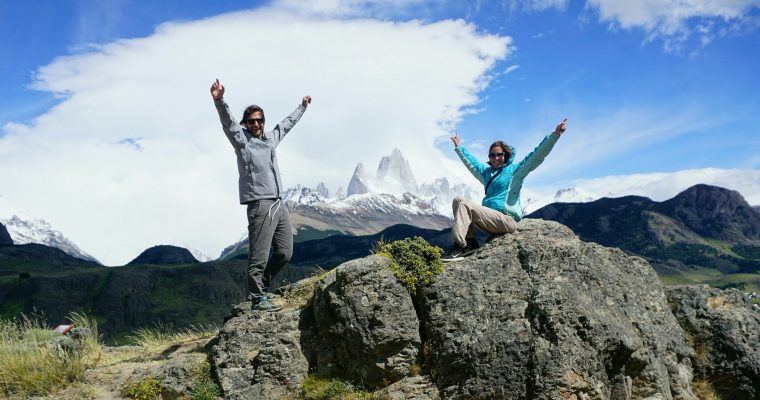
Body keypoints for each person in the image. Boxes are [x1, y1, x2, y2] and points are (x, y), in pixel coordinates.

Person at [210, 79, 312, 311]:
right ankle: (257, 298)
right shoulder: (242, 141)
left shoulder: (270, 139)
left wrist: (302, 107)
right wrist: (219, 100)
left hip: (278, 203)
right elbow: (228, 123)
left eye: (259, 120)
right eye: (252, 121)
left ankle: (262, 286)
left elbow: (286, 125)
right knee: (259, 255)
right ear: (246, 123)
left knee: (284, 253)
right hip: (260, 204)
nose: (256, 124)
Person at [444, 119, 568, 261]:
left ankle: (458, 246)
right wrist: (459, 147)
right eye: (492, 155)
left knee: (465, 205)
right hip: (490, 220)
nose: (496, 158)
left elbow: (536, 155)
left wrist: (555, 135)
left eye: (499, 154)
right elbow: (471, 162)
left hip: (507, 220)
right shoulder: (487, 173)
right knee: (458, 200)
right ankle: (471, 243)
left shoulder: (515, 171)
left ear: (505, 155)